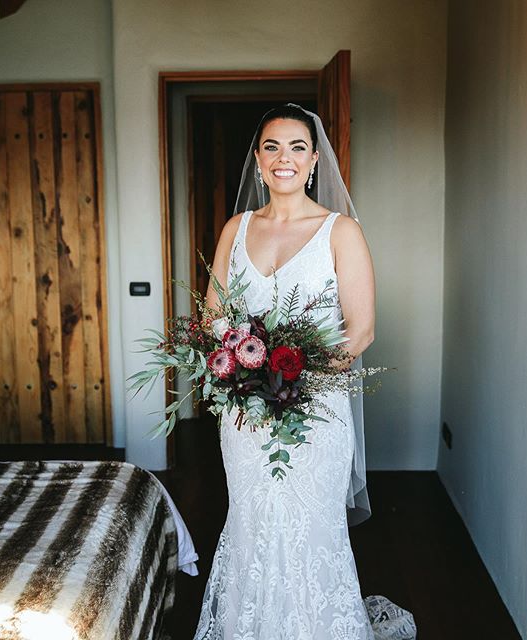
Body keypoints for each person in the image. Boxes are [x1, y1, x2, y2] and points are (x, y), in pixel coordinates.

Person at [195, 104, 415, 639]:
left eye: (297, 147)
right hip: (245, 416)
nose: (284, 159)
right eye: (272, 147)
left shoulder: (340, 232)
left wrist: (292, 383)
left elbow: (360, 331)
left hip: (314, 413)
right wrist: (244, 381)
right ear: (258, 159)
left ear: (315, 160)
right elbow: (212, 317)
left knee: (311, 530)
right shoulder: (235, 228)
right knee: (250, 526)